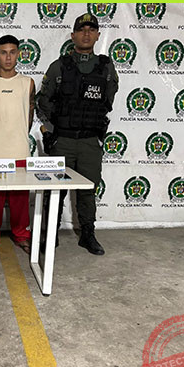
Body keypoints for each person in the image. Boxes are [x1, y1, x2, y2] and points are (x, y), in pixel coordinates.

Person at [36, 13, 119, 255]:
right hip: (62, 140)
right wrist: (60, 121)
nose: (86, 34)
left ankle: (88, 234)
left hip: (90, 142)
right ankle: (51, 234)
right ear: (73, 35)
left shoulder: (106, 68)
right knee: (56, 190)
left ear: (98, 35)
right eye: (82, 30)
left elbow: (108, 100)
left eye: (91, 30)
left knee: (88, 190)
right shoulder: (59, 66)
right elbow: (44, 100)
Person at [0, 35, 35, 255]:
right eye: (3, 52)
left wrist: (17, 135)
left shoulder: (28, 83)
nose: (8, 57)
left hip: (19, 149)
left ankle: (21, 234)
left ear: (18, 54)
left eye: (12, 52)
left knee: (20, 199)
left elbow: (29, 116)